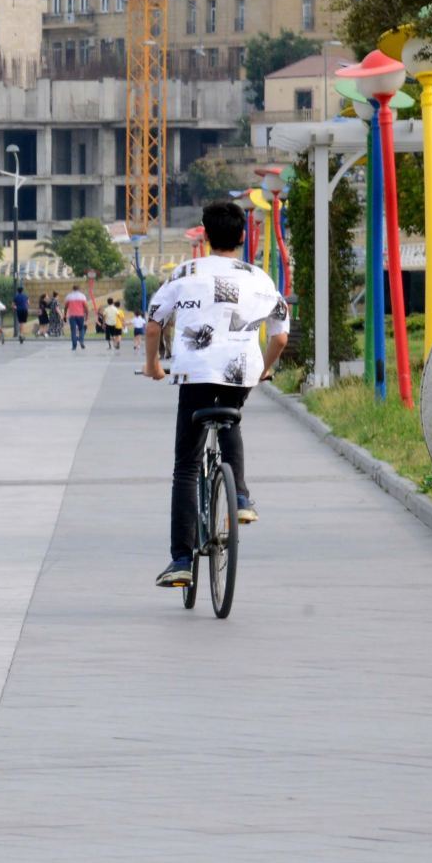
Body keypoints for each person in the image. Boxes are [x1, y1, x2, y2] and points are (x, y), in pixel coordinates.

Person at [145, 200, 289, 588]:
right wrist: (264, 369)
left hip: (194, 373)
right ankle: (240, 498)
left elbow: (154, 325)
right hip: (239, 372)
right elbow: (280, 336)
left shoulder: (186, 272)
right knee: (230, 417)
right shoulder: (260, 278)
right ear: (243, 238)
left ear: (205, 236)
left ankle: (180, 560)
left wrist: (153, 365)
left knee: (187, 466)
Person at [64, 283, 90, 351]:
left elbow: (66, 307)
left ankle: (74, 346)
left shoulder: (69, 296)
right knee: (81, 329)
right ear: (79, 289)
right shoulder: (82, 296)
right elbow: (86, 307)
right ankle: (81, 341)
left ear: (73, 289)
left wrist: (64, 315)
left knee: (73, 331)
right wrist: (87, 315)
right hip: (80, 315)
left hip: (72, 316)